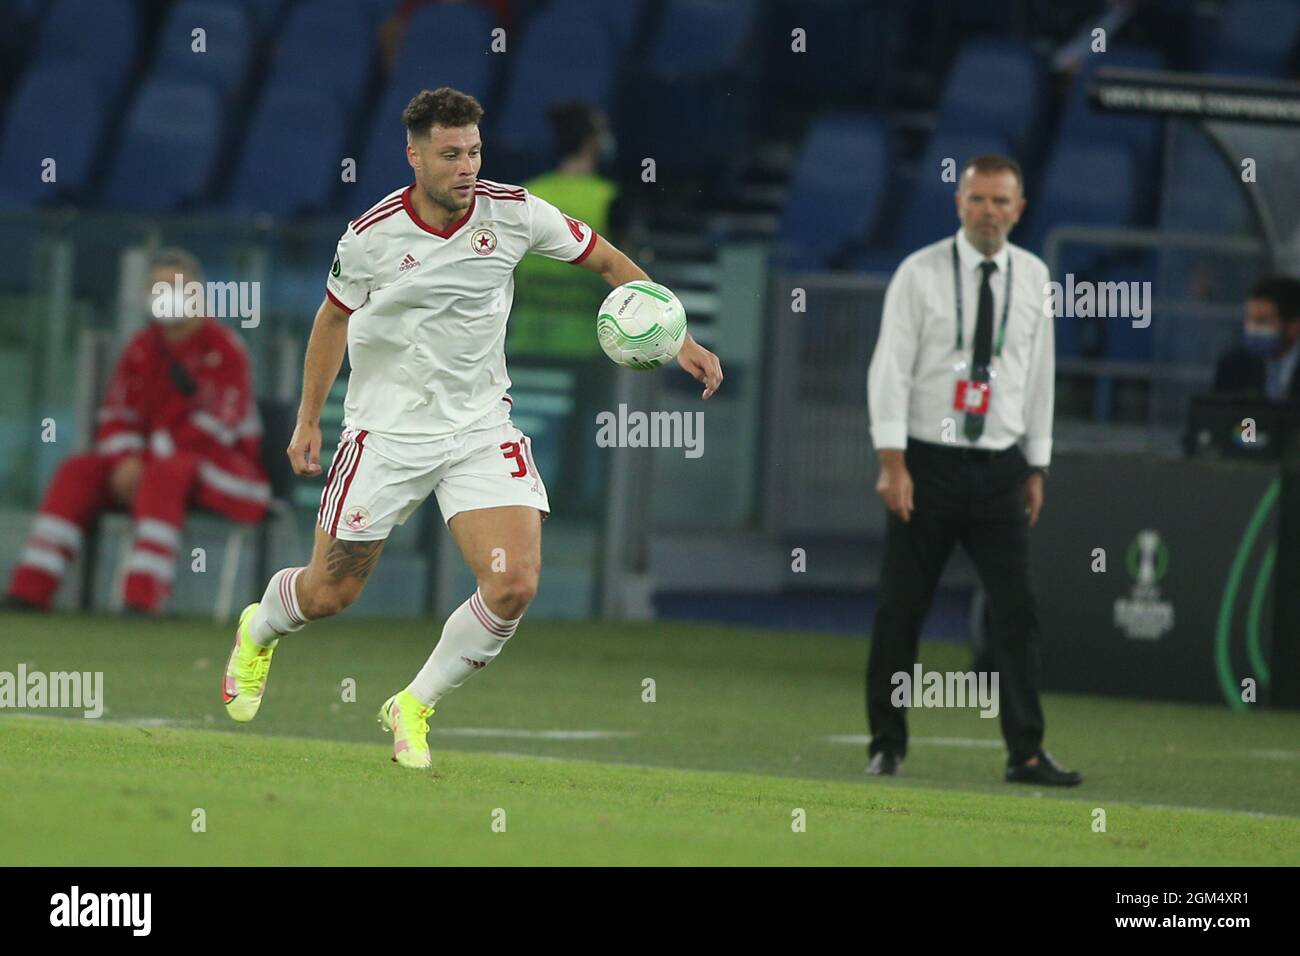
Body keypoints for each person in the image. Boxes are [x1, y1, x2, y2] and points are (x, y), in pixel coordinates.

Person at [222, 87, 723, 769]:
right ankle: (260, 627)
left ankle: (414, 705)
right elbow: (332, 319)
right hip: (386, 434)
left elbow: (607, 261)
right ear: (415, 155)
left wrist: (677, 334)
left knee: (513, 582)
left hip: (480, 429)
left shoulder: (513, 214)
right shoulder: (371, 236)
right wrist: (310, 418)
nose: (466, 166)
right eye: (450, 153)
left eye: (475, 151)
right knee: (330, 592)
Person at [864, 154, 1082, 787]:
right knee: (901, 612)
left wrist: (1036, 465)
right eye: (978, 199)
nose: (989, 211)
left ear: (1020, 209)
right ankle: (886, 744)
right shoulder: (919, 273)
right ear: (959, 204)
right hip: (924, 464)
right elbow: (890, 369)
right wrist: (891, 461)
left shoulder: (1037, 277)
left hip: (1000, 470)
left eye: (1001, 201)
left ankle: (1027, 753)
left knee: (1017, 614)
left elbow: (1038, 378)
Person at [5, 248, 268, 614]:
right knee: (78, 470)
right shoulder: (143, 347)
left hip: (231, 475)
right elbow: (116, 416)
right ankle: (29, 591)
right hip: (149, 471)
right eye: (156, 288)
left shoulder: (225, 349)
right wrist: (126, 459)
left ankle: (142, 600)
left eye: (175, 287)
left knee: (166, 473)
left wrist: (142, 461)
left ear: (198, 293)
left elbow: (213, 429)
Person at [508, 102, 620, 358]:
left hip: (526, 342)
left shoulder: (525, 194)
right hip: (585, 346)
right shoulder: (610, 200)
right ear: (591, 142)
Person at [1212, 274, 1300, 402]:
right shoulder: (1233, 366)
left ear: (1294, 325)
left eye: (1262, 321)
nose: (1252, 329)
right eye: (1249, 319)